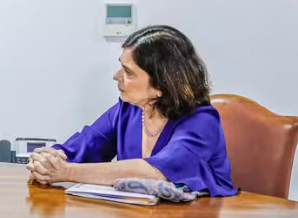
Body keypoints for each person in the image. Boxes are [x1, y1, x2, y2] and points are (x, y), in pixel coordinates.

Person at [26, 25, 236, 196]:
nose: (116, 76)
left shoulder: (201, 120)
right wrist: (47, 160)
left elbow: (157, 172)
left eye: (128, 72)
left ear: (161, 85)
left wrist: (67, 172)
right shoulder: (128, 109)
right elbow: (82, 148)